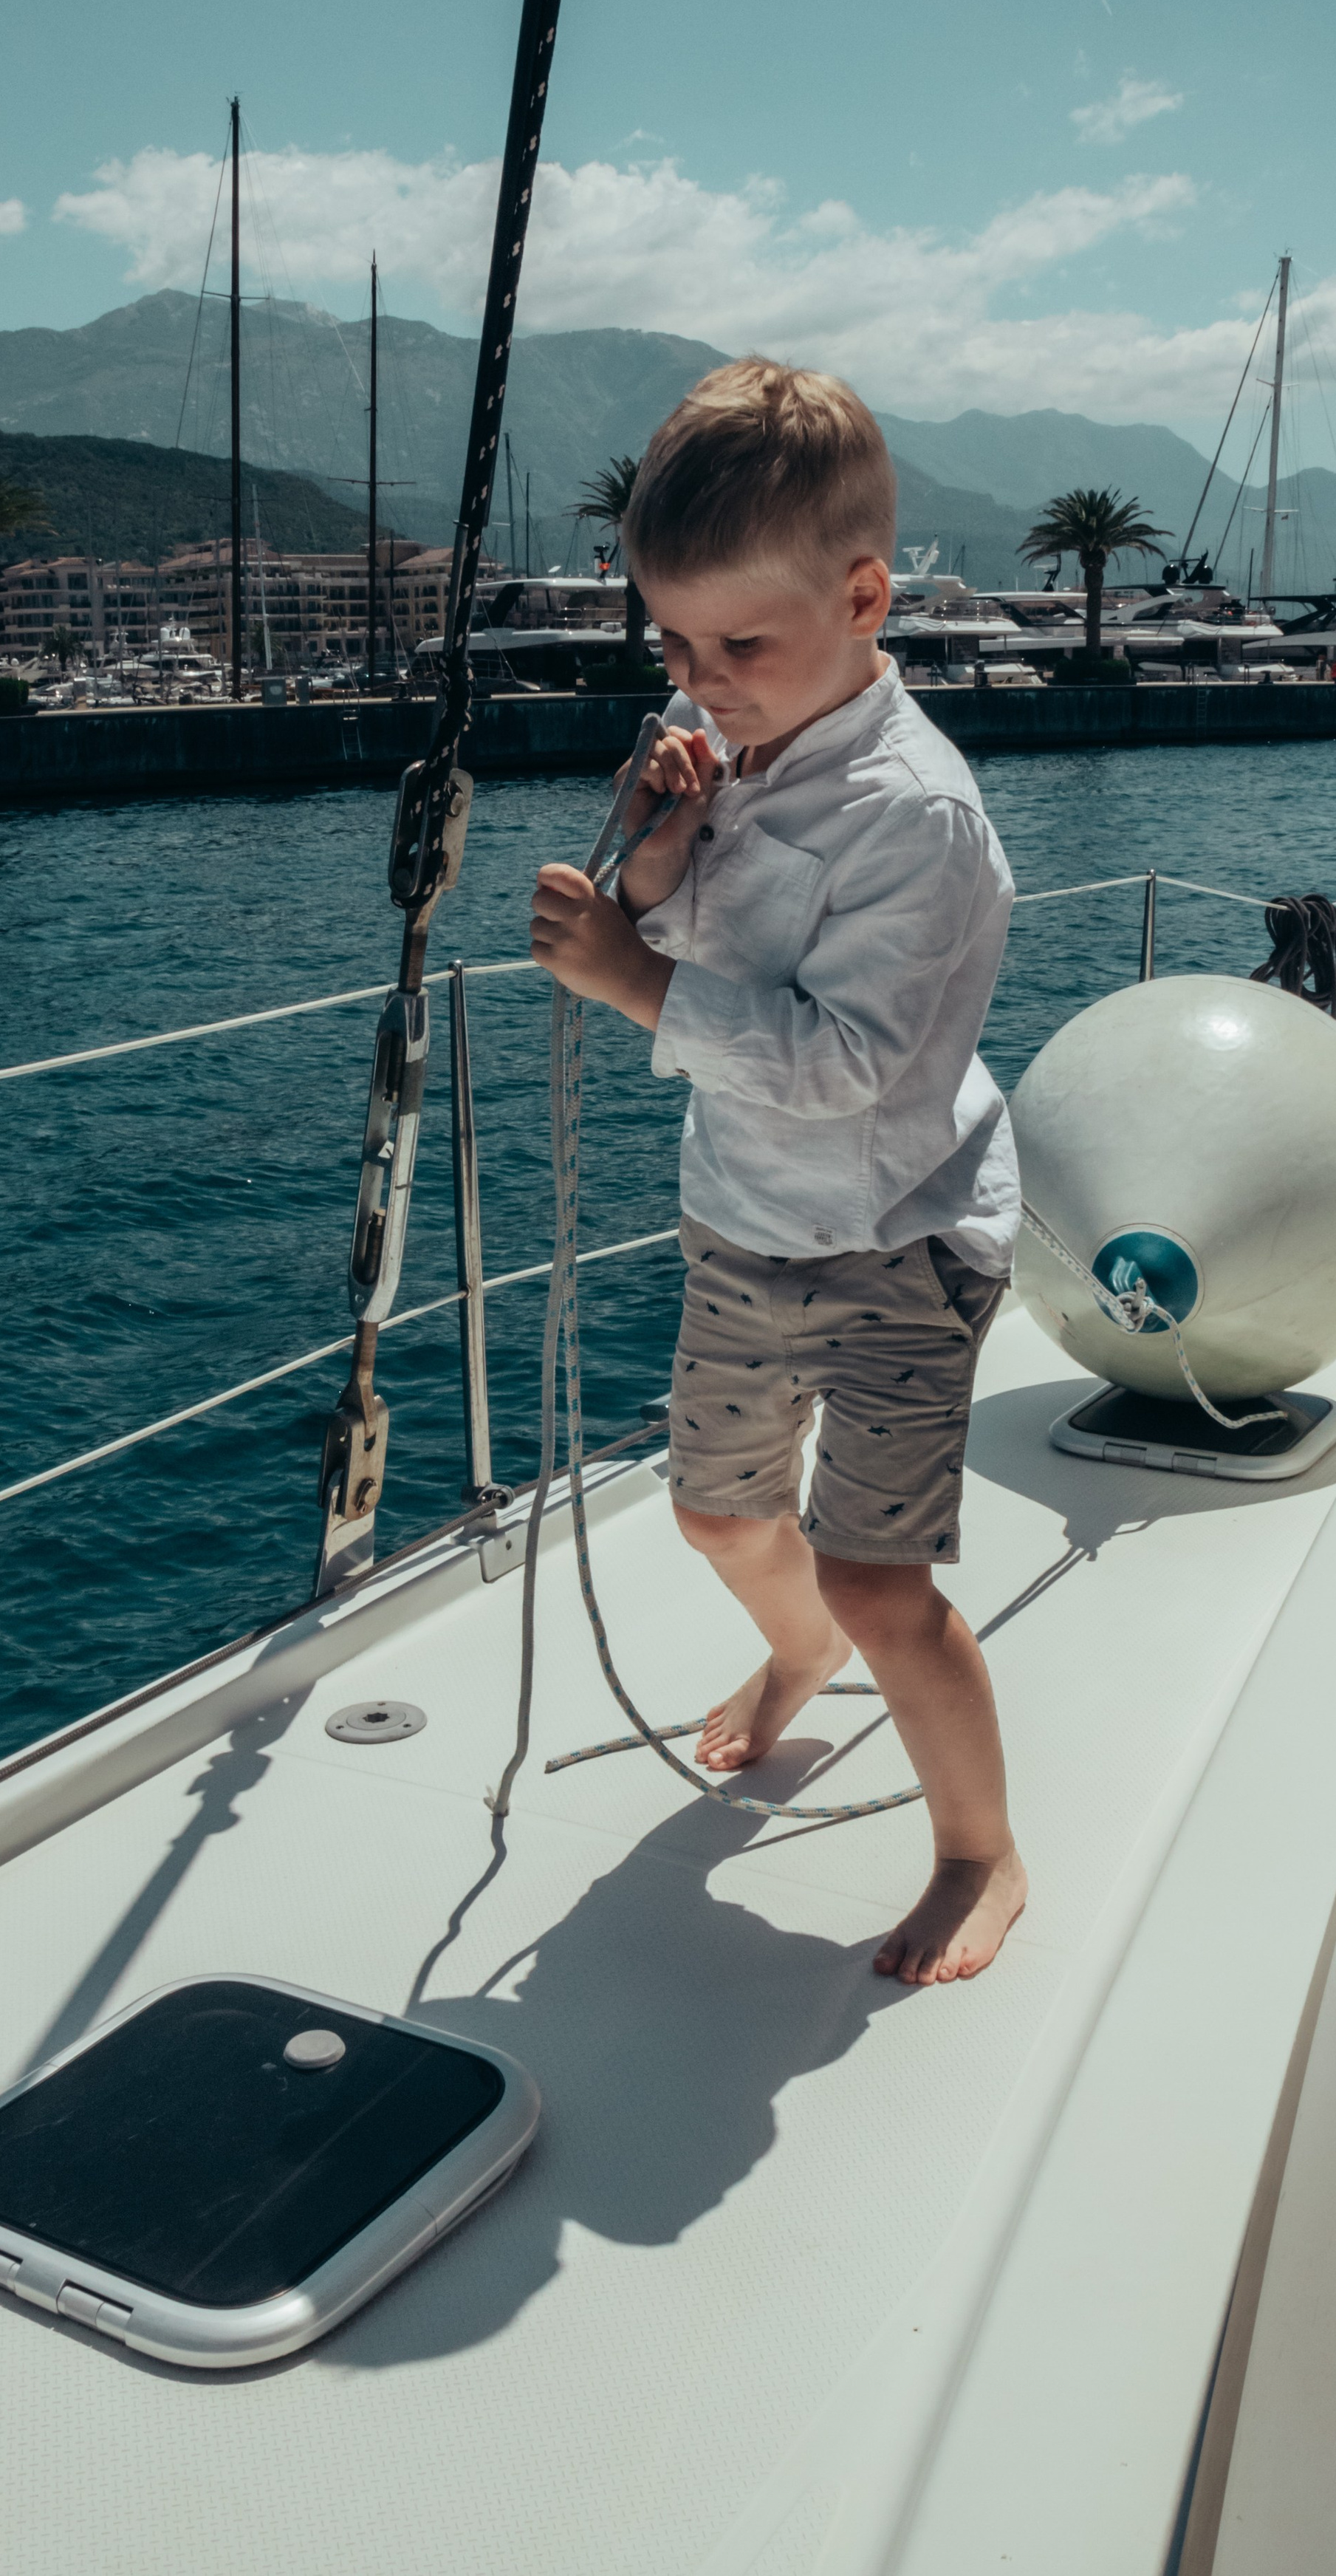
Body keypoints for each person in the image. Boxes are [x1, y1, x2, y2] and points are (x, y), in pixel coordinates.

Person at [529, 359, 1024, 1986]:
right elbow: (690, 927)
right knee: (717, 1522)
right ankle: (793, 1658)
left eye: (736, 645)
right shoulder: (712, 739)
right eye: (672, 643)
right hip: (742, 1220)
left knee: (886, 1583)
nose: (698, 679)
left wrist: (629, 981)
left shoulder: (917, 822)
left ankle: (976, 1848)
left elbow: (851, 1065)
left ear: (864, 597)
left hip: (896, 1242)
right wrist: (659, 863)